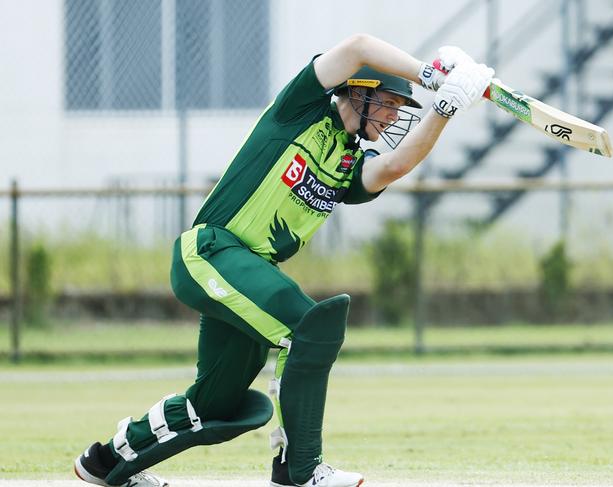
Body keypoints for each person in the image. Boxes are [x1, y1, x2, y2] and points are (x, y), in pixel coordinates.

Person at [73, 33, 494, 487]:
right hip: (211, 252)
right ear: (359, 89)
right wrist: (431, 76)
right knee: (309, 327)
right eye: (390, 102)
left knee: (214, 404)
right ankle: (301, 469)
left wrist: (444, 109)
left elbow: (392, 167)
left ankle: (104, 462)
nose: (395, 115)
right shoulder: (301, 108)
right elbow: (358, 47)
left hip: (247, 274)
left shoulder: (351, 159)